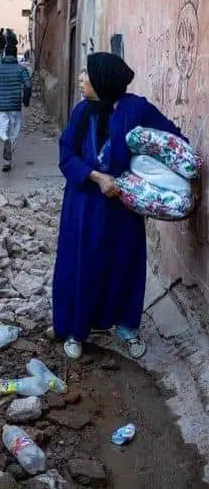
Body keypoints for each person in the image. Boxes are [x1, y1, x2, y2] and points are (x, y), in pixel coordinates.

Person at [52, 52, 188, 360]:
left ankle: (126, 326)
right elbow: (65, 153)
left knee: (123, 263)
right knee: (81, 264)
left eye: (86, 73)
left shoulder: (136, 109)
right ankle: (76, 329)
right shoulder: (82, 112)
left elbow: (172, 141)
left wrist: (146, 176)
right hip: (84, 205)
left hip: (122, 207)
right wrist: (97, 177)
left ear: (103, 80)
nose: (81, 78)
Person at [0, 42, 32, 171]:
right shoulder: (21, 69)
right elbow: (28, 86)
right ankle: (7, 160)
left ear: (5, 54)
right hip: (14, 104)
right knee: (14, 131)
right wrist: (26, 101)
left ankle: (4, 140)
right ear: (15, 54)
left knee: (2, 130)